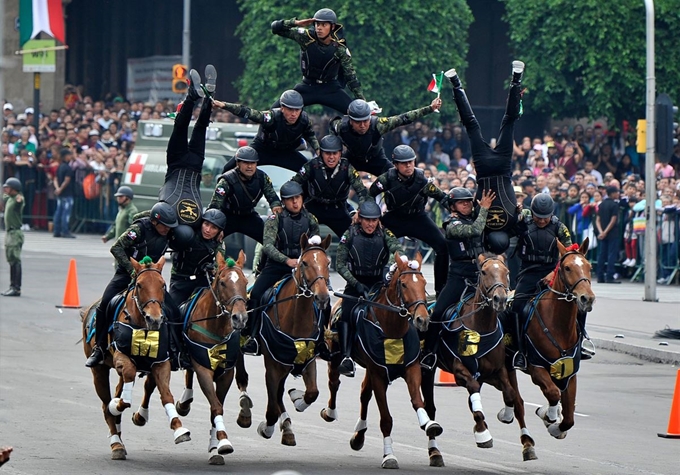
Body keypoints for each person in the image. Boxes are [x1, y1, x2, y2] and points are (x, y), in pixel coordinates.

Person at [444, 61, 525, 252]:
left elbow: (524, 216)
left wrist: (519, 209)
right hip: (483, 170)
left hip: (504, 169)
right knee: (471, 125)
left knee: (509, 121)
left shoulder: (511, 222)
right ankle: (455, 84)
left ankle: (516, 79)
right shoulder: (482, 224)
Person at [85, 202, 179, 367]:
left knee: (174, 310)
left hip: (152, 279)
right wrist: (132, 271)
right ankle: (99, 348)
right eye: (165, 226)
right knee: (105, 304)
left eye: (170, 226)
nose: (168, 230)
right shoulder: (138, 229)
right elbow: (117, 248)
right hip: (127, 274)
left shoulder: (169, 231)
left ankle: (175, 351)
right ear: (155, 221)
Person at [509, 194, 593, 370]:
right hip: (528, 272)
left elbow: (570, 254)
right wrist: (515, 212)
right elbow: (513, 218)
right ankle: (519, 350)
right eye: (538, 217)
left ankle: (581, 341)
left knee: (579, 304)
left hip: (553, 272)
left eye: (545, 217)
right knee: (517, 306)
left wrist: (553, 273)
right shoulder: (525, 218)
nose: (541, 220)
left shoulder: (560, 228)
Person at [420, 187, 496, 370]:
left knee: (501, 305)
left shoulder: (474, 215)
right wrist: (483, 209)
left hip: (479, 275)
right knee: (437, 313)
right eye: (463, 202)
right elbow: (475, 230)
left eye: (469, 201)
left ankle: (507, 349)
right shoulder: (452, 224)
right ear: (453, 206)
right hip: (459, 277)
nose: (468, 205)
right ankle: (429, 353)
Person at [241, 181, 320, 355]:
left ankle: (320, 340)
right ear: (283, 201)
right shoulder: (274, 219)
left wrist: (306, 260)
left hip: (303, 268)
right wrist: (286, 261)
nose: (295, 202)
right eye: (290, 199)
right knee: (256, 294)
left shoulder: (311, 219)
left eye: (297, 198)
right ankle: (252, 336)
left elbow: (316, 243)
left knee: (322, 296)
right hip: (276, 267)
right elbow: (268, 246)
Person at [368, 145, 449, 294]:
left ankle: (441, 289)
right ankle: (376, 286)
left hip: (418, 218)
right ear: (396, 165)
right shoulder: (386, 179)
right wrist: (374, 217)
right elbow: (369, 195)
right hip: (394, 218)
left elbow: (441, 197)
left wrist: (456, 209)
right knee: (376, 245)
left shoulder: (422, 180)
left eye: (411, 162)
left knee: (443, 246)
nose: (408, 165)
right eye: (404, 163)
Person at [335, 200, 403, 377]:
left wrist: (388, 268)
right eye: (367, 220)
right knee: (347, 314)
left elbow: (397, 250)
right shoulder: (349, 234)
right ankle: (347, 356)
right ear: (360, 219)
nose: (370, 224)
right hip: (355, 284)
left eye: (374, 220)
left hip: (379, 283)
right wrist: (356, 284)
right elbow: (339, 264)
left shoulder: (385, 233)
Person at [271, 8, 364, 114]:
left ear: (332, 27)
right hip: (307, 87)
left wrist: (362, 101)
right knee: (272, 112)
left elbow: (351, 77)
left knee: (360, 114)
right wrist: (296, 22)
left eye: (324, 25)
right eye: (317, 24)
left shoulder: (340, 48)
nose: (319, 28)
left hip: (330, 89)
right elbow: (275, 28)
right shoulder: (306, 37)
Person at [159, 65, 217, 231]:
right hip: (179, 164)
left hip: (194, 165)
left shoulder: (195, 218)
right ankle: (195, 97)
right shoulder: (173, 213)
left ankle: (208, 97)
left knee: (200, 128)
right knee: (181, 127)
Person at [330, 97, 442, 176]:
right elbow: (331, 133)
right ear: (350, 121)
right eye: (358, 122)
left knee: (397, 179)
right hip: (352, 158)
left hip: (376, 159)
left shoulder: (378, 125)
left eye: (365, 121)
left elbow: (403, 118)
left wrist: (430, 108)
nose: (363, 125)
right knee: (332, 175)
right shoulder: (340, 126)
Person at [215, 90, 319, 173]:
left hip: (286, 152)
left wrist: (317, 149)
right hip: (262, 150)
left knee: (312, 172)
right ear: (282, 108)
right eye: (290, 110)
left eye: (297, 110)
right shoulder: (271, 117)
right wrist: (224, 105)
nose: (294, 114)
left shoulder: (304, 120)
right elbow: (248, 112)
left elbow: (310, 135)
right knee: (228, 168)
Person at [291, 134, 368, 237]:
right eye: (327, 153)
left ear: (340, 153)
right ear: (321, 153)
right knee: (293, 233)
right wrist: (298, 202)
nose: (331, 157)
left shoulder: (348, 169)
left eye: (334, 153)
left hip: (338, 209)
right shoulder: (311, 165)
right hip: (313, 207)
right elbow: (294, 184)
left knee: (355, 238)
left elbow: (362, 191)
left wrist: (360, 211)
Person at [208, 146, 282, 245]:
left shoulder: (262, 177)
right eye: (246, 163)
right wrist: (216, 226)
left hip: (249, 216)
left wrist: (276, 206)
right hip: (227, 217)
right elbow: (215, 207)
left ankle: (267, 260)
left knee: (274, 241)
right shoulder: (226, 181)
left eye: (253, 163)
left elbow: (272, 196)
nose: (250, 166)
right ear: (238, 163)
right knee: (208, 239)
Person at [169, 208, 227, 305]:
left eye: (214, 228)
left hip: (202, 281)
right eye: (206, 224)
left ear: (219, 231)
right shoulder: (189, 233)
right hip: (180, 280)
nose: (208, 230)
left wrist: (212, 268)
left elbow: (220, 264)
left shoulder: (219, 243)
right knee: (171, 311)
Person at [2, 178, 25, 297]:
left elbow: (19, 201)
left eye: (8, 187)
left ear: (14, 189)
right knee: (11, 259)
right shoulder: (9, 198)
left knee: (15, 259)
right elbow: (4, 197)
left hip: (15, 233)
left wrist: (19, 199)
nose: (5, 189)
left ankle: (16, 288)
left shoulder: (17, 198)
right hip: (9, 232)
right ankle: (12, 286)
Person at [595, 186, 621, 284]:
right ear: (612, 193)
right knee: (611, 255)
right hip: (612, 233)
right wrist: (606, 231)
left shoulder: (601, 204)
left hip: (602, 234)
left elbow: (597, 220)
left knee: (602, 254)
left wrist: (601, 231)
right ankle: (610, 276)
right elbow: (613, 220)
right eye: (616, 193)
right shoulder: (614, 205)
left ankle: (600, 276)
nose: (617, 194)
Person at [53, 148, 76, 238]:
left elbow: (55, 179)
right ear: (66, 156)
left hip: (60, 194)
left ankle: (56, 231)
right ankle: (65, 231)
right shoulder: (68, 168)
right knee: (66, 213)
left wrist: (57, 188)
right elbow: (67, 180)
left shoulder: (59, 166)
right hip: (67, 193)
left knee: (58, 211)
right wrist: (61, 189)